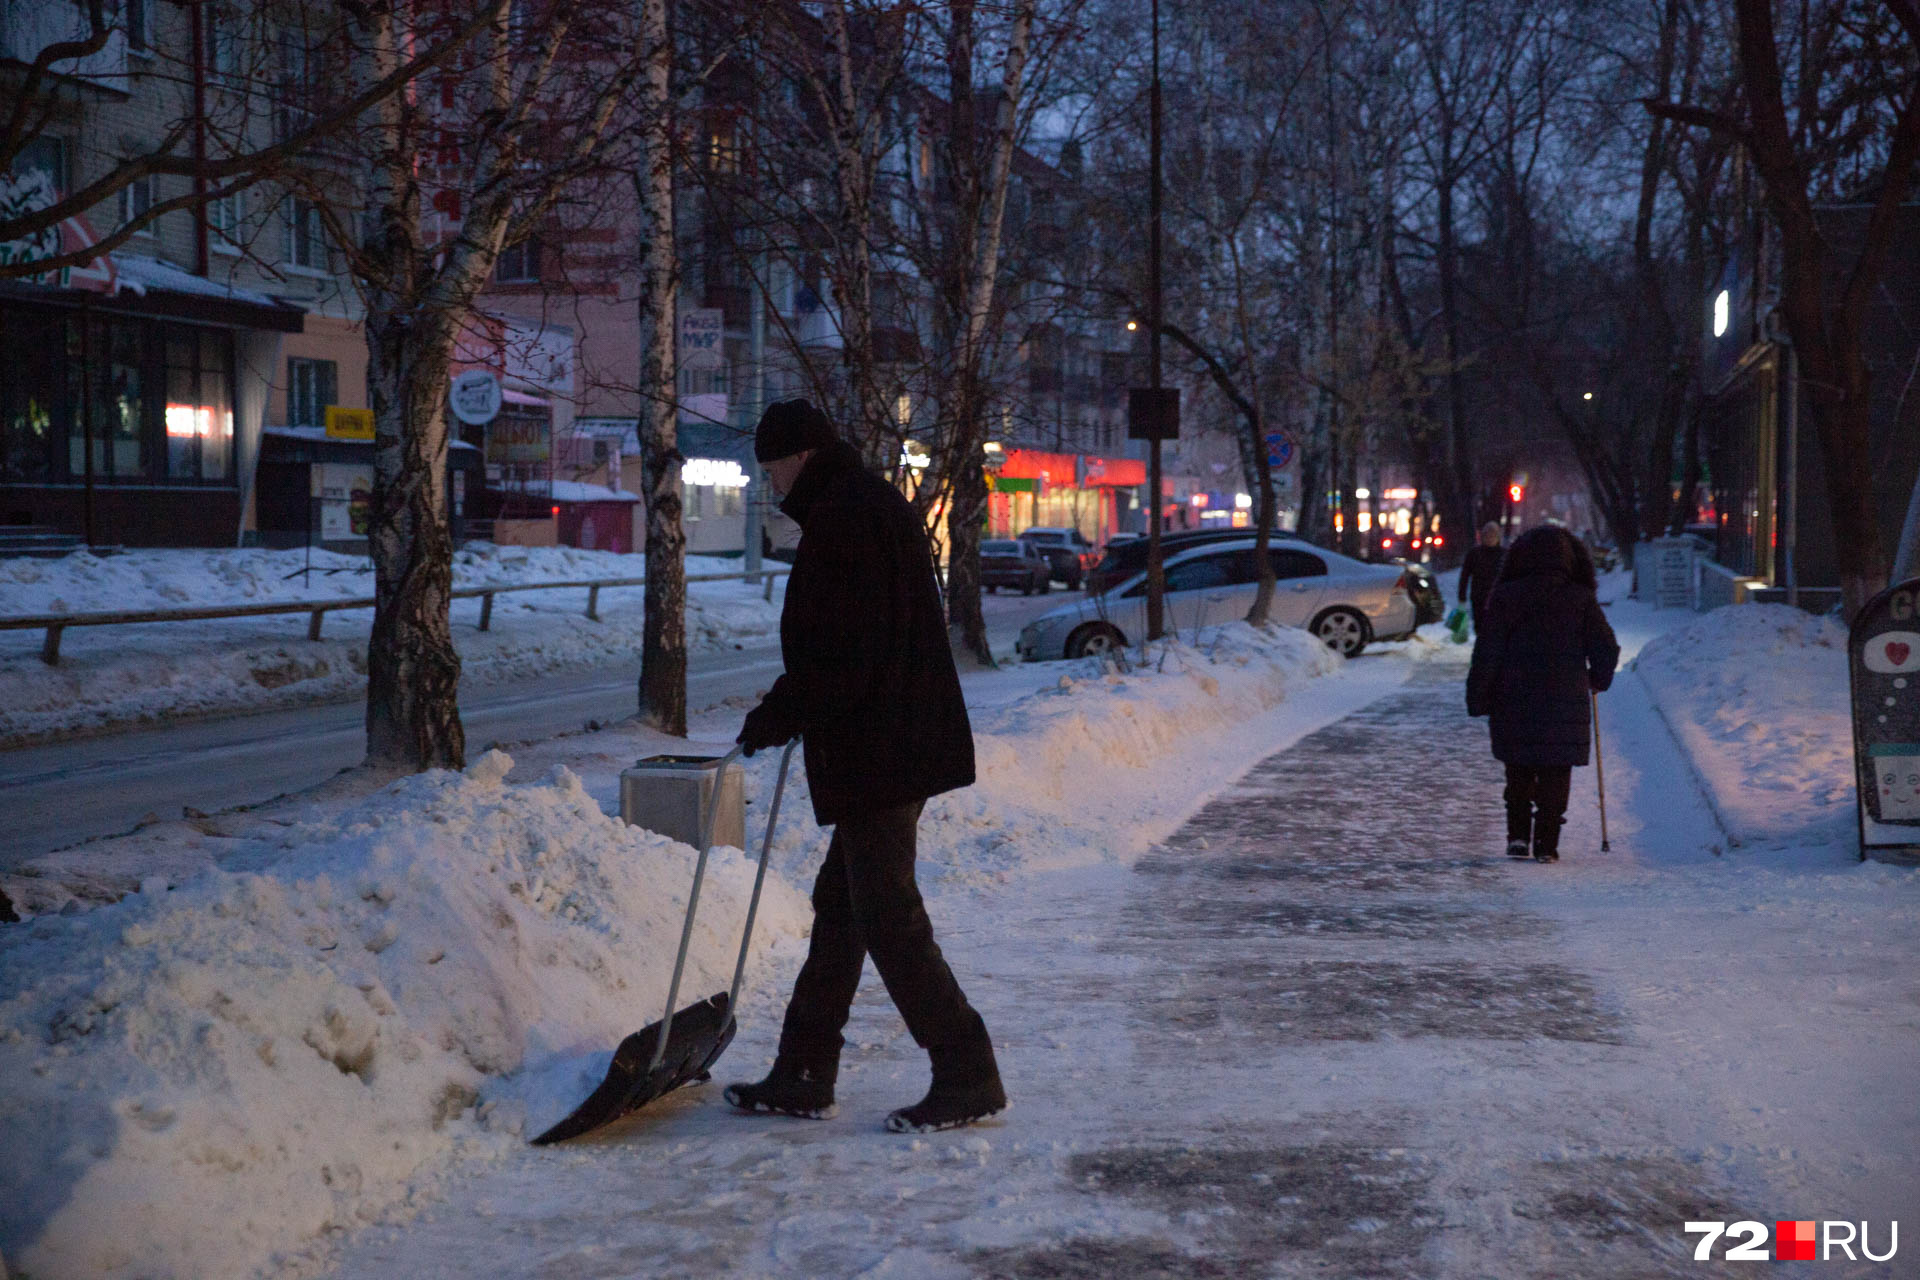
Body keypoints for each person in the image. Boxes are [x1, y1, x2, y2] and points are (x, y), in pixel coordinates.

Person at [725, 398, 1007, 1133]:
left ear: (797, 457)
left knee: (886, 915)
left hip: (884, 746)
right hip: (891, 739)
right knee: (843, 911)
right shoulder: (861, 504)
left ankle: (966, 1069)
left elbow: (842, 651)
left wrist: (781, 712)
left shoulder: (846, 518)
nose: (772, 485)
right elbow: (851, 643)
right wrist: (791, 708)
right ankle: (803, 1069)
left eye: (771, 469)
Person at [1465, 524, 1620, 863]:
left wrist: (1478, 695)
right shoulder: (1579, 599)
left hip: (1513, 697)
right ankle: (1547, 845)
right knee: (1555, 773)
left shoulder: (1506, 597)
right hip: (1564, 701)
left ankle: (1518, 837)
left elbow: (1488, 651)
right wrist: (1598, 678)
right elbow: (1606, 647)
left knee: (1518, 769)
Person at [1458, 521, 1506, 633]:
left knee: (1494, 628)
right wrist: (1462, 596)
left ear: (1498, 537)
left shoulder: (1504, 554)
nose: (1490, 538)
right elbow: (1465, 576)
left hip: (1498, 598)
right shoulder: (1474, 554)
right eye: (1487, 535)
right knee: (1480, 627)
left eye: (1493, 535)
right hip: (1479, 597)